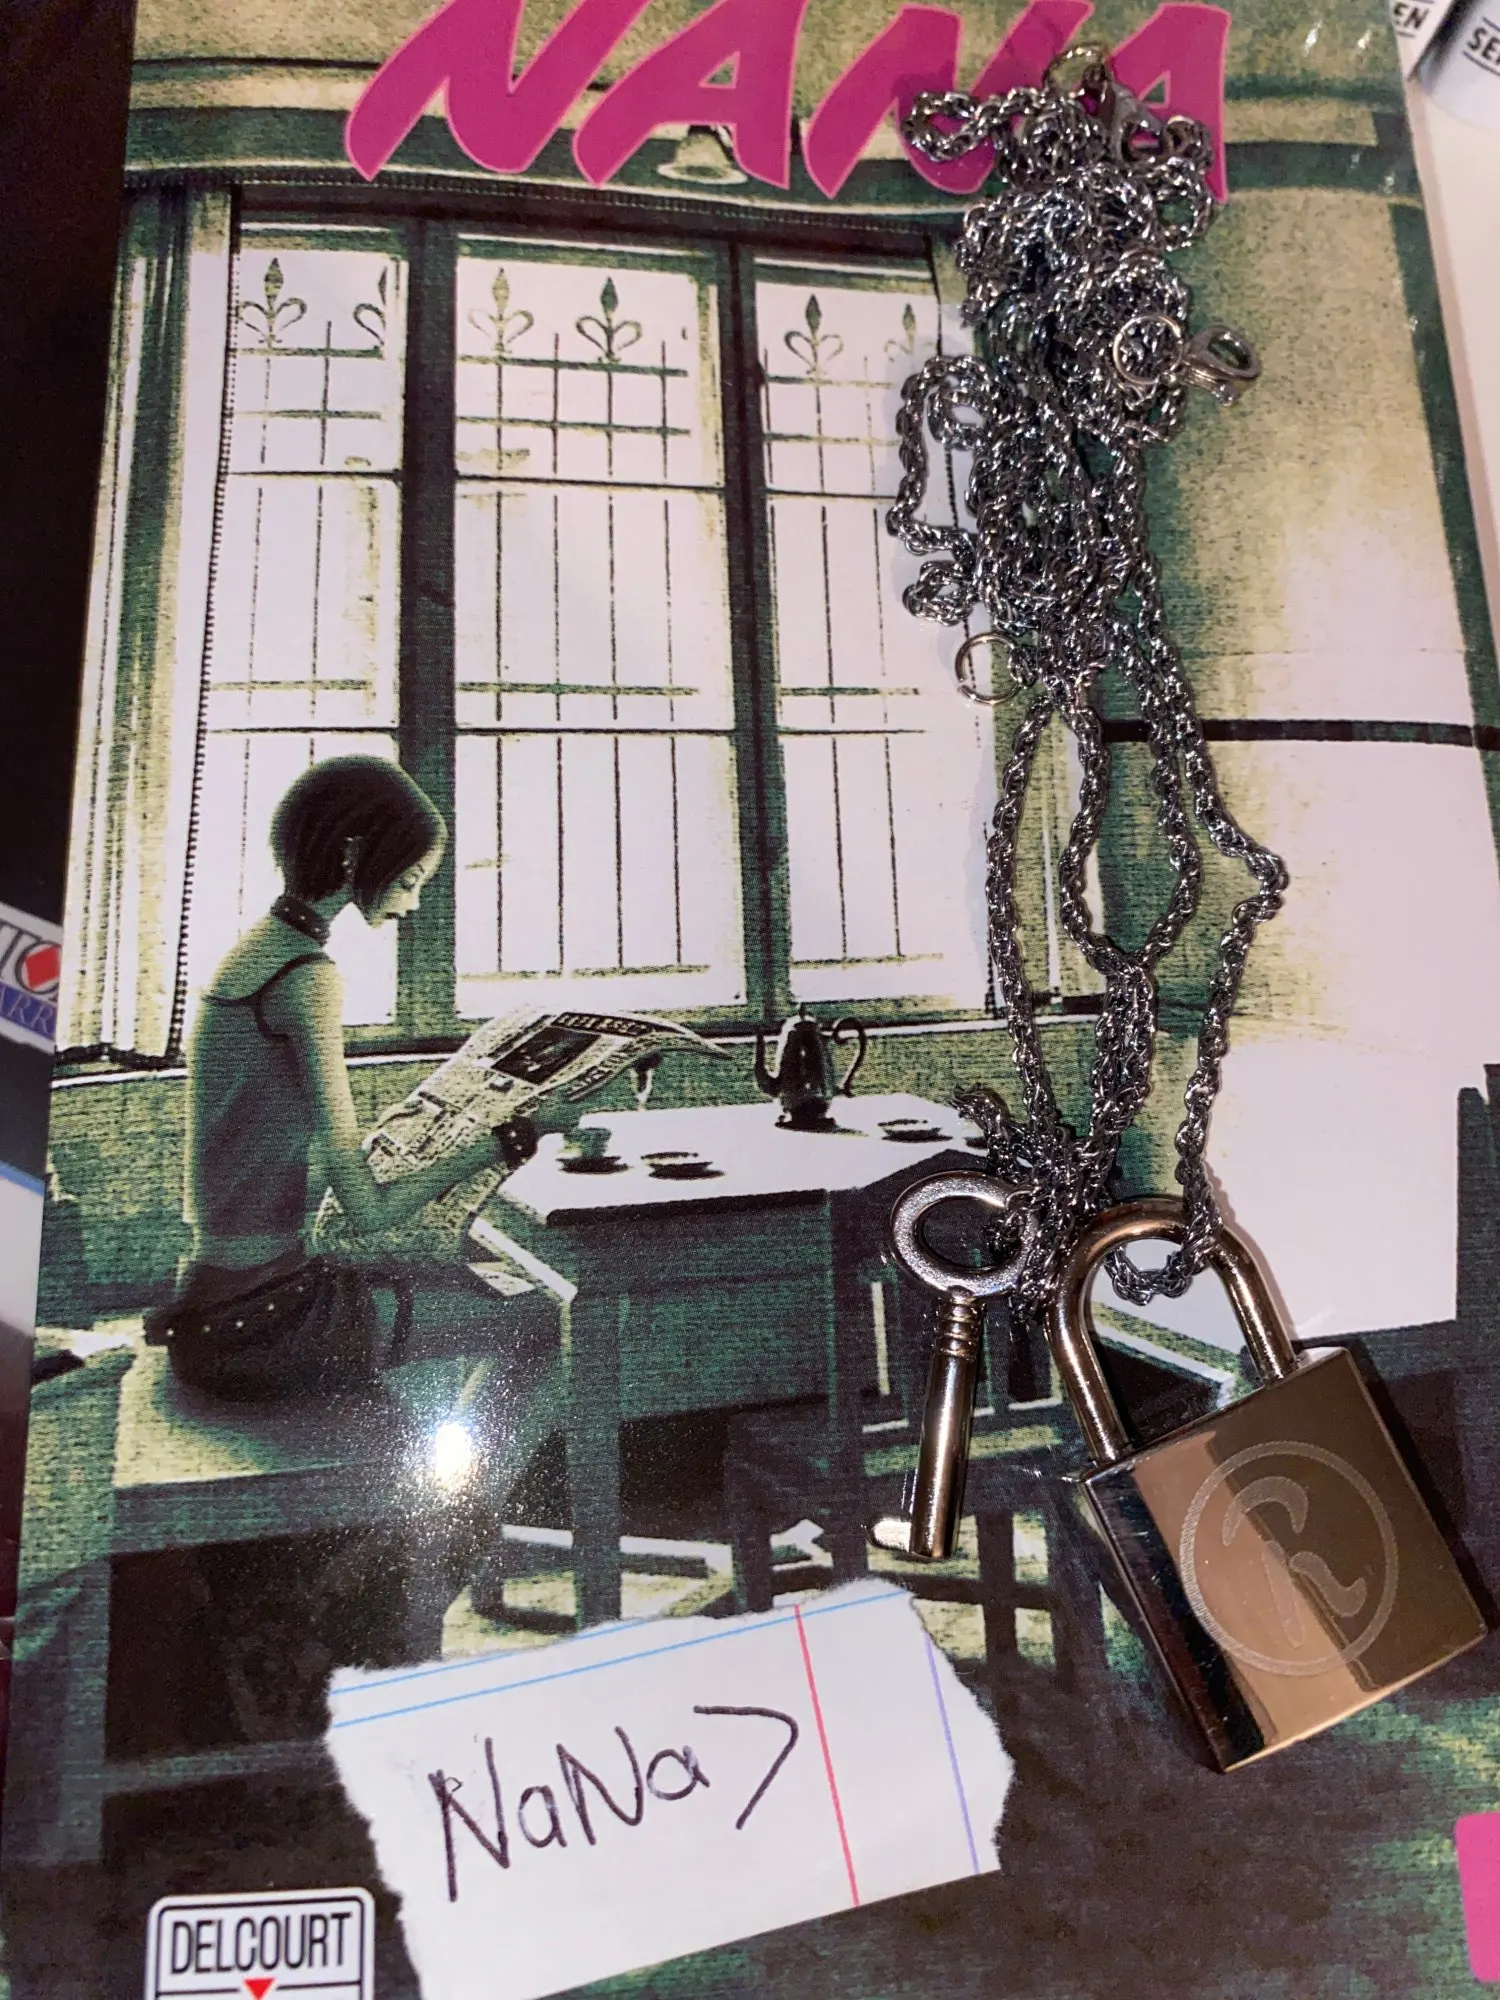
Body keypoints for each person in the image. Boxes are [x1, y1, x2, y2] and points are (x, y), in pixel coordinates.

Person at [146, 755, 568, 1408]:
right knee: (546, 1316)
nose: (413, 902)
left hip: (213, 1307)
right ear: (353, 854)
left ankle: (455, 1466)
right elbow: (368, 1213)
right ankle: (477, 1478)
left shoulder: (252, 953)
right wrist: (511, 1137)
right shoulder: (307, 978)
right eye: (410, 880)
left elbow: (264, 1156)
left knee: (472, 1286)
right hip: (266, 1320)